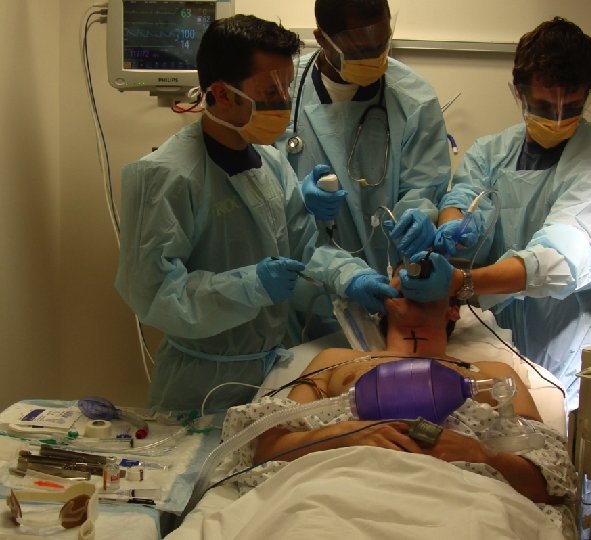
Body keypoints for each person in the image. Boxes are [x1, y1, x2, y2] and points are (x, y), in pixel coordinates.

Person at [114, 14, 398, 413]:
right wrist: (250, 286)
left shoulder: (270, 162)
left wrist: (350, 276)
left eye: (286, 87)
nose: (283, 102)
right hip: (200, 385)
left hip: (270, 374)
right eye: (269, 91)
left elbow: (304, 249)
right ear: (221, 94)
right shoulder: (165, 176)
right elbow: (155, 294)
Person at [385, 17, 591, 411]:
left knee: (552, 420)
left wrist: (462, 282)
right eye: (543, 106)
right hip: (494, 332)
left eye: (572, 107)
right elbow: (465, 196)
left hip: (562, 333)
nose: (557, 118)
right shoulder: (492, 152)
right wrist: (453, 227)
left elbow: (553, 261)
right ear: (518, 92)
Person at [217, 293, 577, 538]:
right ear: (382, 301)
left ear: (453, 308)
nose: (414, 282)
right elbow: (266, 447)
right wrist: (345, 435)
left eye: (428, 278)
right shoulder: (336, 361)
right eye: (403, 279)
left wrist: (477, 452)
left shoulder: (492, 373)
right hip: (336, 479)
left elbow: (549, 481)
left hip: (463, 491)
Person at [275, 0, 452, 276]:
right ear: (322, 39)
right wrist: (296, 197)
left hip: (386, 275)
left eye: (381, 45)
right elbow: (259, 178)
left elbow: (424, 186)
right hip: (301, 276)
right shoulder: (279, 90)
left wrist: (420, 215)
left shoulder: (415, 99)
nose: (375, 57)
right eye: (360, 50)